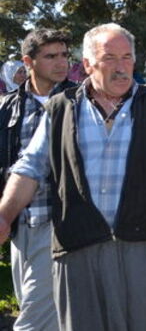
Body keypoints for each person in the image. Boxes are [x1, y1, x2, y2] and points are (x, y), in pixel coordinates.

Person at [0, 23, 146, 330]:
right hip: (78, 249)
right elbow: (29, 167)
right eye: (109, 58)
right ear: (87, 64)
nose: (121, 67)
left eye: (127, 57)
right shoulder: (61, 109)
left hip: (143, 248)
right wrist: (4, 214)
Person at [0, 29, 74, 331]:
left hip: (60, 221)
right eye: (51, 56)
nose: (61, 63)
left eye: (64, 55)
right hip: (20, 224)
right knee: (42, 308)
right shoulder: (8, 107)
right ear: (28, 62)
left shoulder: (78, 100)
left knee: (33, 319)